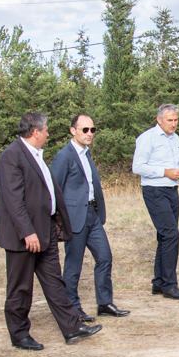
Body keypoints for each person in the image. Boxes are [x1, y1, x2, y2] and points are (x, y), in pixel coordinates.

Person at [0, 112, 102, 350]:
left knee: (54, 282)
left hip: (44, 229)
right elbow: (13, 200)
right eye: (46, 130)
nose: (49, 134)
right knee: (20, 286)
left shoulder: (36, 154)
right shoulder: (12, 156)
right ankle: (19, 335)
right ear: (35, 132)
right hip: (23, 235)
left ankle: (72, 327)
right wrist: (27, 232)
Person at [50, 114, 129, 322]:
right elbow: (54, 188)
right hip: (74, 218)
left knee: (104, 257)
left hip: (93, 215)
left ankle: (104, 303)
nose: (90, 134)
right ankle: (72, 309)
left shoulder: (87, 154)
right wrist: (59, 219)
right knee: (73, 265)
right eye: (85, 130)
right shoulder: (64, 156)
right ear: (73, 130)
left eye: (93, 130)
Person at [131, 103, 179, 300]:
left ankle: (158, 282)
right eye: (170, 120)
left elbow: (176, 163)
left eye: (176, 120)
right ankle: (169, 285)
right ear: (159, 120)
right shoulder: (147, 138)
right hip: (154, 190)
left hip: (172, 190)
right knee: (172, 235)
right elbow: (137, 167)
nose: (173, 124)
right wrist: (165, 172)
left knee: (165, 236)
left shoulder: (175, 138)